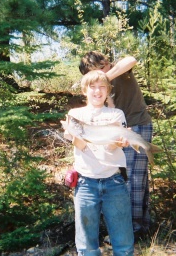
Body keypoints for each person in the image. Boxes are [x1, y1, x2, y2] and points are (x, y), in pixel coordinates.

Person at [79, 51, 153, 235]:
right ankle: (141, 224)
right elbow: (111, 110)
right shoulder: (101, 89)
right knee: (132, 177)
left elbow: (132, 59)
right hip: (120, 131)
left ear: (103, 65)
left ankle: (133, 229)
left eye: (95, 72)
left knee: (133, 179)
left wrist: (105, 77)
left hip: (138, 126)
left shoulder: (119, 71)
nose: (96, 83)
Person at [63, 70, 134, 256]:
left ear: (108, 90)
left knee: (124, 246)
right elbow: (82, 146)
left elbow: (111, 148)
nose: (97, 91)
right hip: (85, 184)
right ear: (84, 90)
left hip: (114, 183)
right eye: (92, 87)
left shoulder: (116, 114)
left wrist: (118, 142)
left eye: (102, 86)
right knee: (87, 248)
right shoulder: (74, 114)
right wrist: (72, 134)